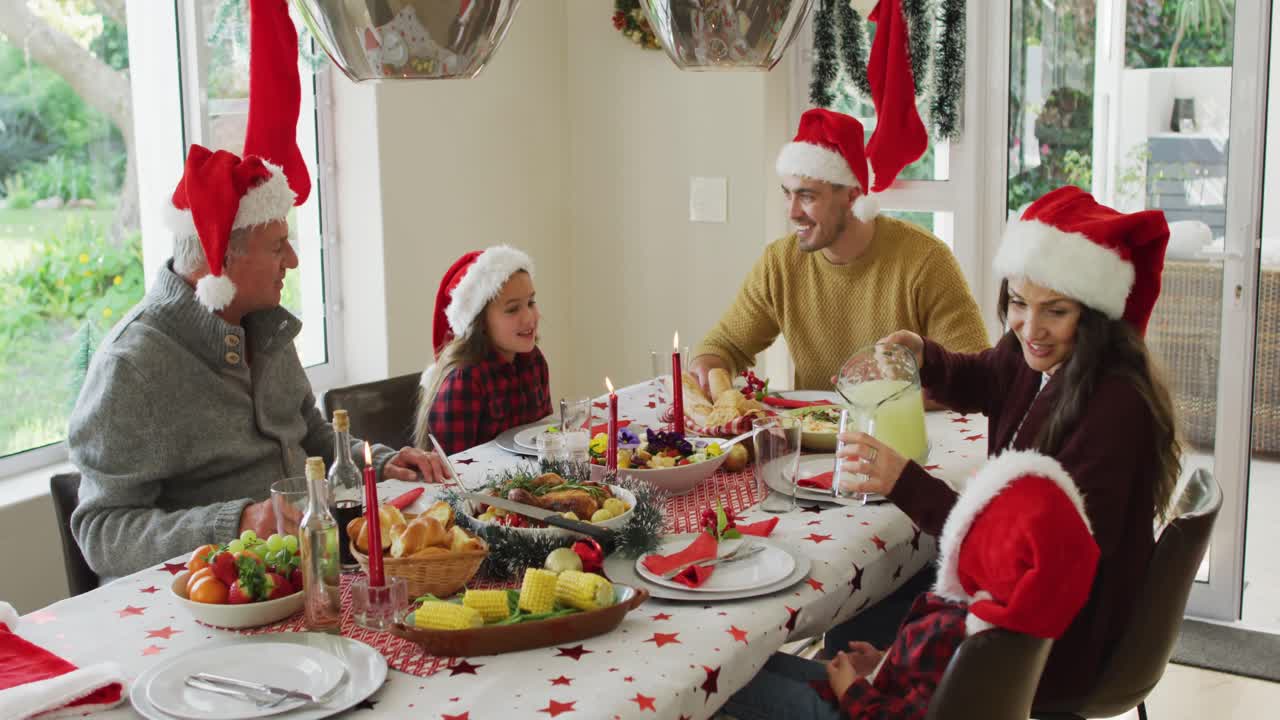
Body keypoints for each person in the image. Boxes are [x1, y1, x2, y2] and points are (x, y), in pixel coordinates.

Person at [68, 0, 449, 582]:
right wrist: (236, 520)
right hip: (215, 603)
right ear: (222, 259)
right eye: (278, 247)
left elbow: (313, 438)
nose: (292, 261)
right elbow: (103, 533)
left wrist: (386, 463)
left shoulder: (265, 328)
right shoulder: (133, 367)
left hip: (309, 572)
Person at [836, 185, 1179, 704]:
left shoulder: (1114, 405)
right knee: (874, 601)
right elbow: (987, 378)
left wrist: (905, 482)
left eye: (1056, 311)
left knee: (852, 616)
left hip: (1055, 641)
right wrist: (926, 355)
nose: (1030, 328)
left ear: (1095, 315)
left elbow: (1021, 557)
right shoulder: (1038, 356)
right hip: (1033, 608)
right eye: (1018, 302)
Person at [719, 451, 1100, 720]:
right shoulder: (992, 618)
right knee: (748, 665)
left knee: (726, 684)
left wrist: (854, 690)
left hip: (859, 710)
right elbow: (926, 682)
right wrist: (885, 662)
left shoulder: (961, 630)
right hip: (879, 693)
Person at [691, 108, 989, 394]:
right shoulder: (779, 263)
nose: (792, 212)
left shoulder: (925, 260)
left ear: (852, 194)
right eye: (787, 194)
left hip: (903, 439)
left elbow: (976, 378)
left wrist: (898, 387)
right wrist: (707, 369)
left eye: (807, 196)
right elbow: (724, 346)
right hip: (815, 440)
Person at [414, 245, 551, 455]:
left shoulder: (533, 361)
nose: (529, 317)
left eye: (531, 302)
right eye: (513, 309)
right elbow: (452, 471)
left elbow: (543, 437)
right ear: (480, 322)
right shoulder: (464, 382)